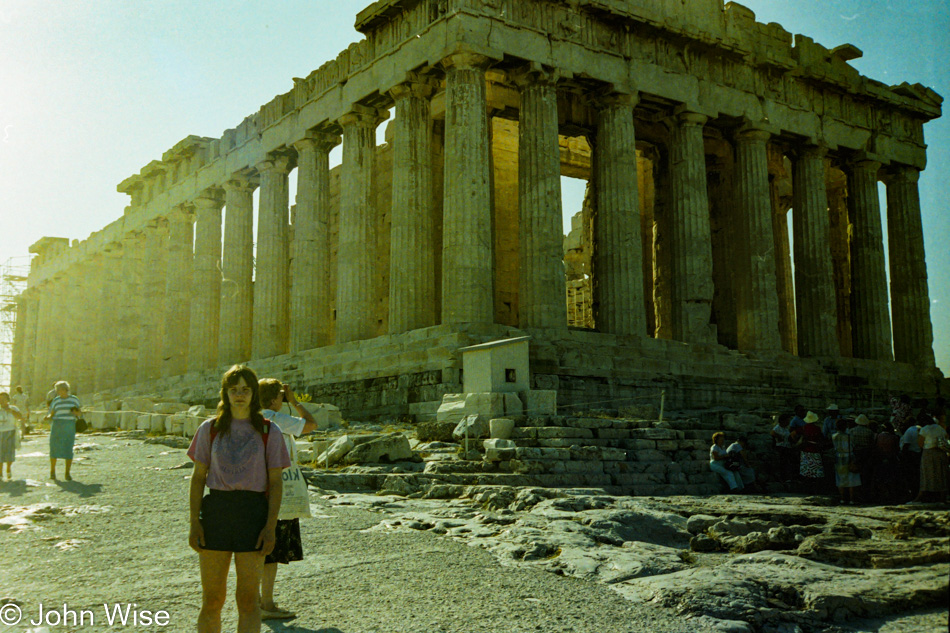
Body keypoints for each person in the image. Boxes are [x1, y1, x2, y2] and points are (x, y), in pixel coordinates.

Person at [188, 365, 291, 633]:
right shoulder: (208, 429)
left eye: (245, 389)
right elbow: (198, 477)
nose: (240, 395)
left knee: (247, 600)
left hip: (253, 513)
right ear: (225, 393)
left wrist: (271, 527)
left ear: (254, 393)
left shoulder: (270, 431)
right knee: (212, 599)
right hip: (216, 512)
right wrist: (193, 522)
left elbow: (276, 482)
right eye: (234, 390)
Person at [257, 379, 317, 620]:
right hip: (278, 492)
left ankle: (256, 601)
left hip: (257, 490)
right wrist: (295, 401)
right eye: (281, 397)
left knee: (259, 550)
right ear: (274, 398)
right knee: (271, 551)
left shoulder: (253, 418)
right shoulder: (274, 418)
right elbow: (311, 424)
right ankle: (267, 604)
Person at [47, 381, 81, 481]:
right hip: (57, 425)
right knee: (54, 448)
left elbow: (79, 413)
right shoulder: (56, 400)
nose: (59, 392)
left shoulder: (74, 399)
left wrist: (76, 412)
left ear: (66, 389)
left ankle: (67, 473)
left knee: (68, 448)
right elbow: (52, 413)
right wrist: (47, 417)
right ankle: (52, 472)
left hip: (69, 425)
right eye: (57, 390)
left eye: (60, 390)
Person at [913, 414, 949, 503]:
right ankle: (942, 496)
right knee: (940, 474)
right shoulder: (940, 428)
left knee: (927, 474)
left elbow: (920, 443)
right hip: (940, 453)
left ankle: (923, 494)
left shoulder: (924, 429)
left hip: (928, 453)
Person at [832, 418, 860, 505]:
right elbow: (854, 445)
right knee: (851, 479)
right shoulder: (850, 436)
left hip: (839, 457)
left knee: (840, 479)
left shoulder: (834, 436)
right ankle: (851, 499)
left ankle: (842, 499)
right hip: (849, 457)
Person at [849, 414, 876, 503]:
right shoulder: (869, 432)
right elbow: (872, 444)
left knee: (855, 475)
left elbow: (851, 443)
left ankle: (856, 495)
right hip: (866, 454)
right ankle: (865, 495)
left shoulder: (852, 431)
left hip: (856, 453)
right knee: (866, 475)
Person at [798, 411, 826, 493]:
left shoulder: (803, 428)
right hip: (815, 451)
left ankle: (806, 489)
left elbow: (792, 435)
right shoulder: (817, 429)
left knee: (806, 472)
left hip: (805, 451)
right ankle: (816, 489)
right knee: (816, 472)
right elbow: (821, 438)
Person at [0, 392, 25, 480]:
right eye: (0, 399)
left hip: (11, 432)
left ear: (8, 399)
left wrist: (11, 411)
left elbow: (20, 417)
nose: (2, 400)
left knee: (9, 452)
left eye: (4, 399)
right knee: (0, 452)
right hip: (0, 432)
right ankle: (0, 473)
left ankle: (8, 469)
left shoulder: (13, 408)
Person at [899, 417, 923, 501]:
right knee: (917, 475)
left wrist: (902, 456)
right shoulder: (920, 428)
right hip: (919, 453)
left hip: (911, 455)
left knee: (910, 475)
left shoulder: (909, 431)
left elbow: (906, 445)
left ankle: (913, 494)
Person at [770, 413, 795, 483]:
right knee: (783, 463)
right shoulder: (777, 428)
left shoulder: (786, 429)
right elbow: (772, 433)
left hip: (787, 447)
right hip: (781, 447)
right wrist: (779, 437)